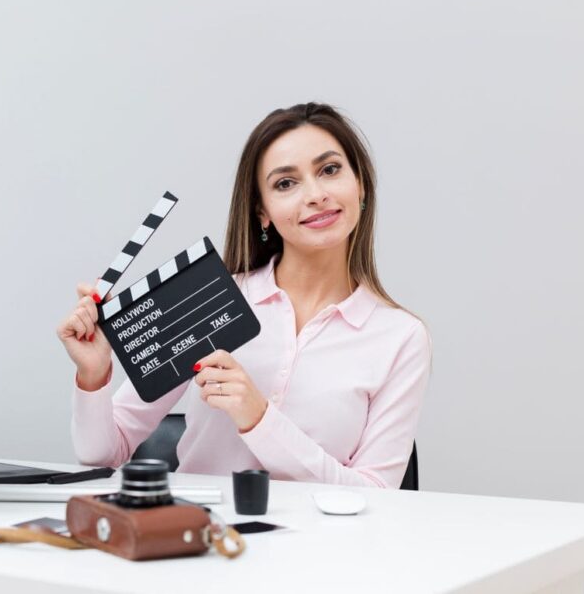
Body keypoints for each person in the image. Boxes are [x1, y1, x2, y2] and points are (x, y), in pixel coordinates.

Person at [56, 102, 432, 488]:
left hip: (322, 547)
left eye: (330, 170)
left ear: (360, 185)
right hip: (201, 538)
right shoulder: (207, 298)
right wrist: (93, 374)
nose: (316, 194)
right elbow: (101, 453)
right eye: (286, 183)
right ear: (262, 212)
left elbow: (379, 496)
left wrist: (258, 417)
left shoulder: (400, 337)